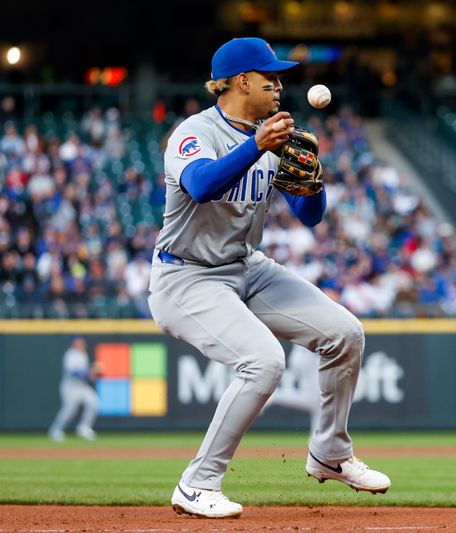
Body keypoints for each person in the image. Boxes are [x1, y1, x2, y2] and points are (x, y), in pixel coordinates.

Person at [147, 37, 390, 519]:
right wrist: (258, 146)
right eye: (269, 79)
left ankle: (330, 453)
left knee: (344, 334)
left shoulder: (270, 137)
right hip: (186, 276)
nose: (279, 87)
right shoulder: (195, 132)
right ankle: (197, 484)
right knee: (262, 362)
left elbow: (309, 216)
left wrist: (313, 180)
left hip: (245, 267)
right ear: (241, 82)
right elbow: (201, 185)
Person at [48, 336, 100, 442]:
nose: (81, 344)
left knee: (94, 402)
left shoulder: (83, 354)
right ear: (74, 343)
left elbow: (85, 372)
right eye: (79, 343)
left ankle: (84, 428)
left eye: (82, 342)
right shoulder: (70, 355)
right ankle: (55, 430)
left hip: (82, 386)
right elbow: (72, 372)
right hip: (70, 386)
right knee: (69, 410)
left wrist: (92, 373)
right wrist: (89, 373)